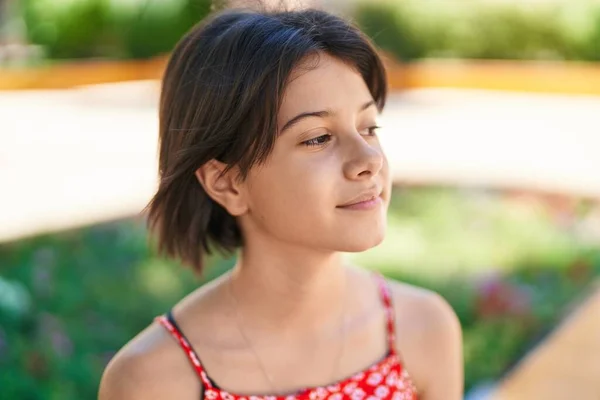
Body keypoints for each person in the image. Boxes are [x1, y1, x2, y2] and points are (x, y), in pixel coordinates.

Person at [98, 4, 463, 400]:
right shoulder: (152, 381)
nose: (370, 160)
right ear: (227, 183)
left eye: (368, 127)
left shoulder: (423, 329)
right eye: (317, 137)